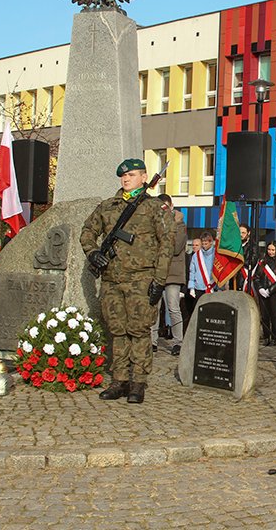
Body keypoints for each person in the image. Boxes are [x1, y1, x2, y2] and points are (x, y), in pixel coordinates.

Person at [80, 159, 174, 404]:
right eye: (123, 176)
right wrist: (93, 253)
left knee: (139, 331)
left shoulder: (154, 207)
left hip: (141, 280)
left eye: (132, 175)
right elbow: (88, 231)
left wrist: (159, 281)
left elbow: (167, 244)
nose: (126, 179)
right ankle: (119, 380)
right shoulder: (108, 206)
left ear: (144, 178)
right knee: (118, 331)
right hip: (112, 280)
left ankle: (138, 383)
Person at [151, 194, 187, 357]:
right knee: (154, 307)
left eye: (166, 207)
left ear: (171, 207)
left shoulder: (180, 224)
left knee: (173, 306)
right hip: (156, 270)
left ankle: (178, 342)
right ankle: (152, 342)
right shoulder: (153, 222)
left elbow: (177, 247)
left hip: (172, 271)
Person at [255, 240, 276, 347]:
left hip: (275, 293)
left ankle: (274, 338)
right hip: (263, 293)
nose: (270, 252)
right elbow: (256, 277)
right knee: (265, 317)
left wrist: (270, 290)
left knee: (274, 316)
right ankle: (266, 337)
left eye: (273, 250)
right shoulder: (262, 262)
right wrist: (260, 289)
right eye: (269, 249)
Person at [188, 232, 215, 303]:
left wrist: (220, 287)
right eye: (202, 244)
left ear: (211, 242)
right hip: (199, 287)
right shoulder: (196, 255)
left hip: (213, 287)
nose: (204, 246)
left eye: (206, 244)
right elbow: (192, 272)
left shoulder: (216, 255)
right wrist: (191, 287)